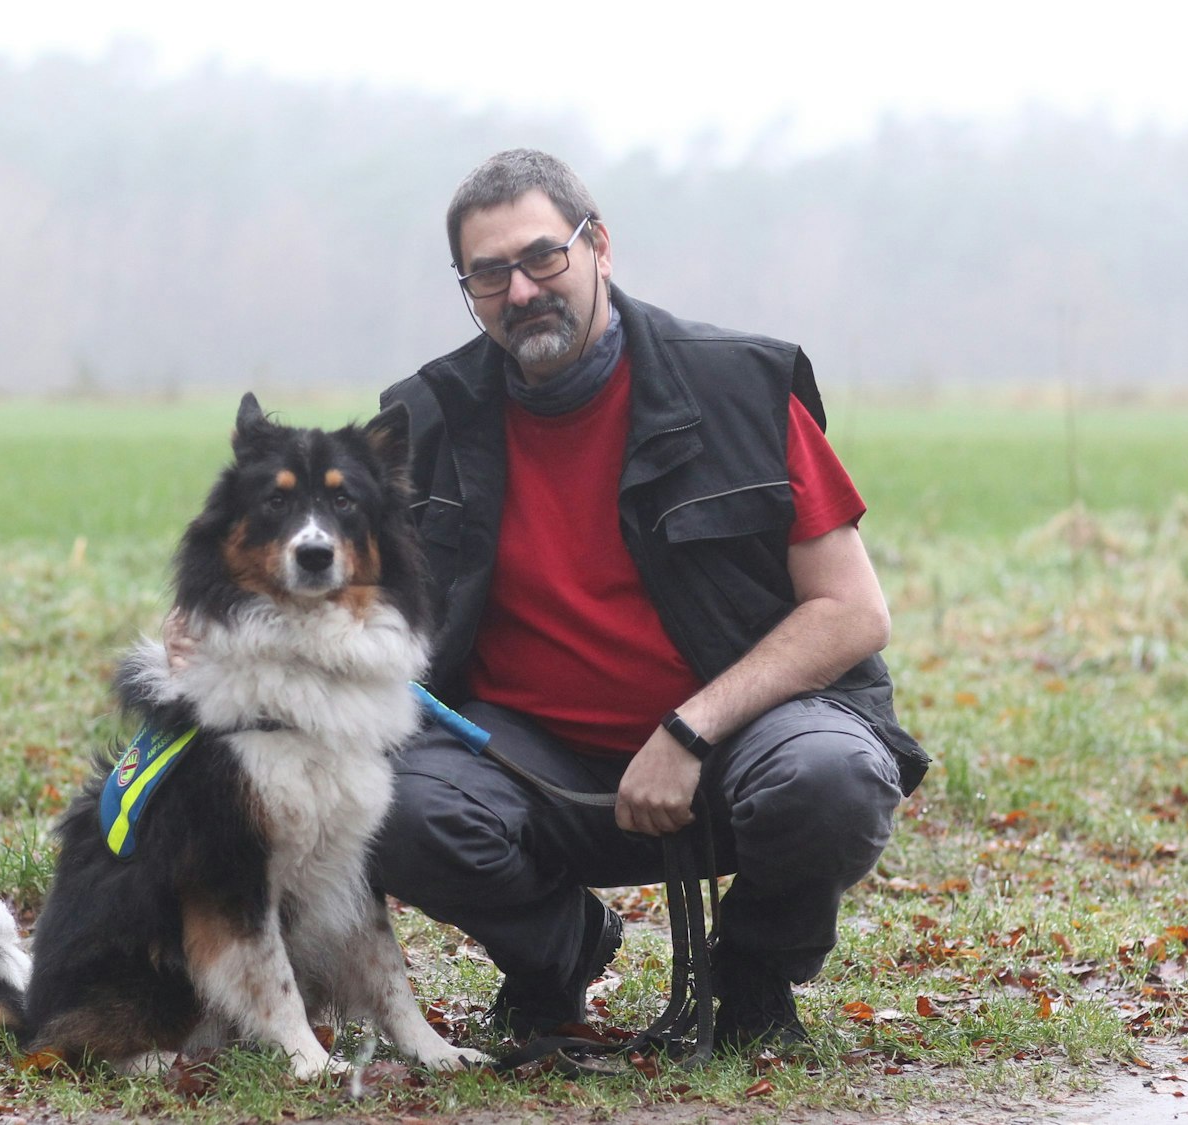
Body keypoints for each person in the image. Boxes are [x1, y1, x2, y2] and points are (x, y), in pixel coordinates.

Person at [370, 149, 929, 1050]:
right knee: (384, 799)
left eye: (542, 257)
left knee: (832, 779)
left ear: (599, 248)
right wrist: (211, 622)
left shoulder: (741, 387)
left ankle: (751, 976)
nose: (520, 291)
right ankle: (560, 956)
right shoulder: (425, 417)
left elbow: (853, 611)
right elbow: (324, 564)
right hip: (521, 760)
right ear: (467, 288)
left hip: (737, 742)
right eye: (488, 273)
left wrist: (690, 728)